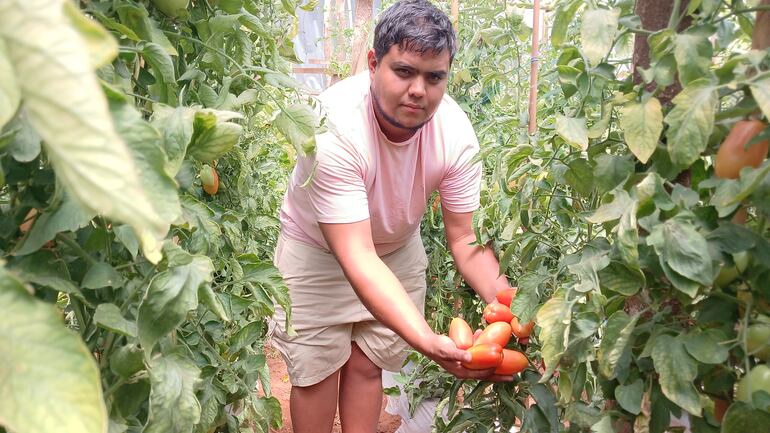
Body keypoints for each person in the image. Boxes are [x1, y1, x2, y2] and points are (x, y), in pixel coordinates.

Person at [270, 1, 515, 431]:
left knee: (369, 364)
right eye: (404, 71)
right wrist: (425, 338)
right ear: (372, 64)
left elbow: (465, 241)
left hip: (397, 250)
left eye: (434, 77)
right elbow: (358, 255)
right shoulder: (333, 128)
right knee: (316, 373)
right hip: (319, 253)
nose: (419, 90)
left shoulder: (456, 136)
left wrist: (514, 306)